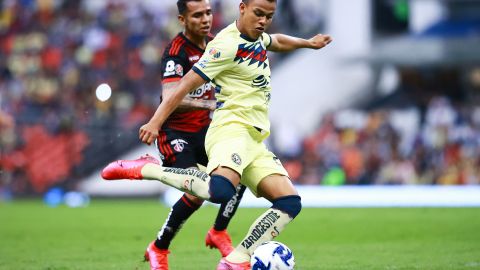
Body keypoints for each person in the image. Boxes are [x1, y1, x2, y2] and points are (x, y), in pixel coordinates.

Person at [102, 0, 332, 269]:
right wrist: (155, 122)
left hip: (254, 139)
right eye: (259, 14)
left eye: (269, 16)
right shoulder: (223, 45)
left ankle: (236, 259)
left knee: (289, 202)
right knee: (220, 190)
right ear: (242, 7)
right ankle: (150, 170)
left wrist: (307, 43)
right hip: (229, 130)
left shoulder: (256, 37)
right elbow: (183, 85)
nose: (263, 21)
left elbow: (275, 40)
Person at [103, 1, 246, 269]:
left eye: (208, 13)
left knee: (241, 170)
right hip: (176, 132)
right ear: (183, 19)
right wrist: (211, 103)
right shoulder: (176, 52)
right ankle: (159, 247)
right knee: (196, 191)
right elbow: (171, 97)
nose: (205, 19)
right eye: (197, 15)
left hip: (206, 131)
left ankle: (218, 232)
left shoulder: (216, 44)